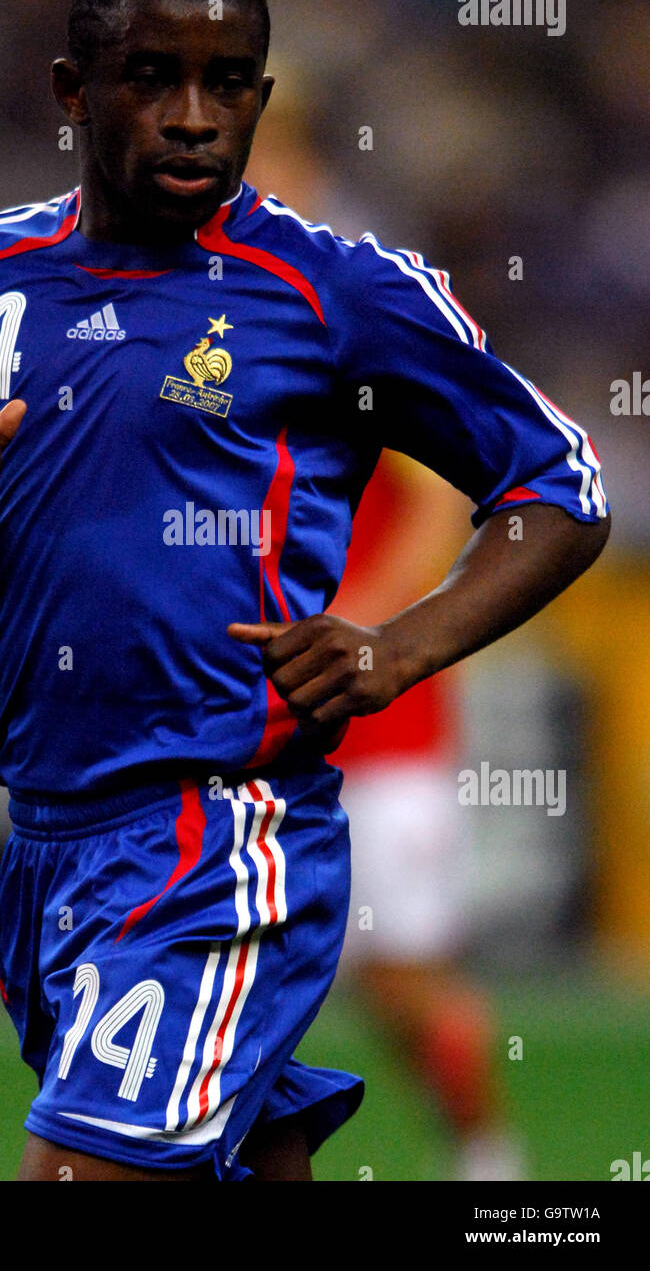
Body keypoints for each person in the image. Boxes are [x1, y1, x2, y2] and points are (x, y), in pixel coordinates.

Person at [0, 0, 610, 1182]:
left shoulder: (331, 292)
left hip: (215, 832)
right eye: (151, 77)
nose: (194, 117)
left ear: (259, 92)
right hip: (48, 848)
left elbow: (558, 489)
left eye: (228, 82)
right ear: (71, 91)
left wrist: (396, 646)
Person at [329, 455, 525, 1180]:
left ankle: (495, 1173)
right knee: (376, 985)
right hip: (307, 747)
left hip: (390, 749)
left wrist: (359, 623)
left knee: (408, 978)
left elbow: (440, 506)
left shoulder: (355, 357)